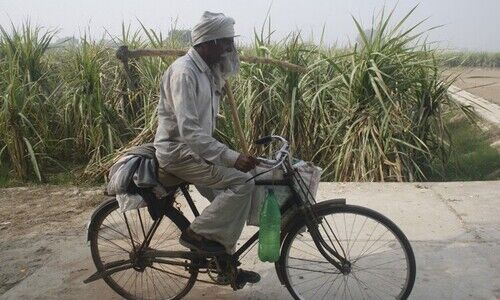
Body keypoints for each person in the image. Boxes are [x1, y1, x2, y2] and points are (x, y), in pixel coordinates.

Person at [153, 11, 260, 283]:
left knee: (228, 208)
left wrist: (218, 85)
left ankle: (226, 267)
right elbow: (189, 131)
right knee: (242, 183)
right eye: (225, 42)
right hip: (180, 154)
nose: (230, 49)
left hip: (198, 152)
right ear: (208, 43)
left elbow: (201, 125)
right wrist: (231, 157)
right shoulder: (184, 73)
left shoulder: (208, 73)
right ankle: (195, 233)